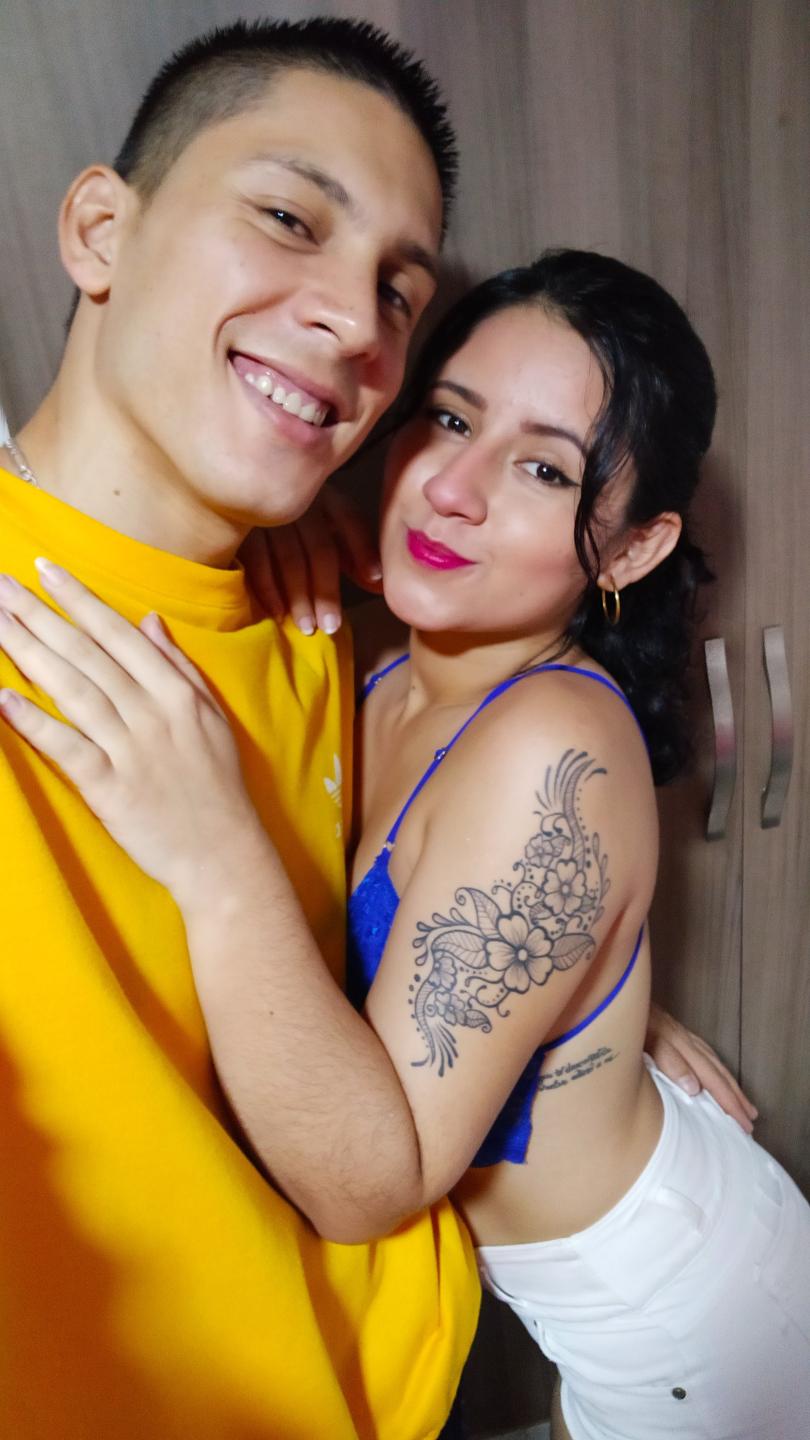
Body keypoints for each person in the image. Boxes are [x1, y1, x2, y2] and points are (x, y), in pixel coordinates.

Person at [2, 248, 803, 1440]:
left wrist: (217, 852)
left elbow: (370, 1187)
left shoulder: (552, 750)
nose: (453, 490)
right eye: (450, 418)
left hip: (685, 1318)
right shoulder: (374, 653)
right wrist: (589, 997)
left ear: (633, 550)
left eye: (544, 468)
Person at [0, 17, 482, 1440]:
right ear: (102, 231)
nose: (358, 326)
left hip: (407, 1352)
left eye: (400, 293)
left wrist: (576, 991)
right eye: (287, 219)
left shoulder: (322, 605)